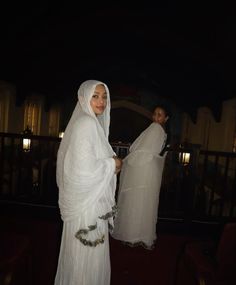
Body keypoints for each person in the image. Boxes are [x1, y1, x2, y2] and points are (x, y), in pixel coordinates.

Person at [54, 79, 122, 285]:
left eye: (104, 96)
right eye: (95, 96)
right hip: (88, 205)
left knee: (81, 257)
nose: (101, 101)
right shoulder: (87, 123)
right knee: (86, 257)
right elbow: (83, 171)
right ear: (83, 98)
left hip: (88, 200)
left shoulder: (86, 121)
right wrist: (113, 164)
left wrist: (110, 164)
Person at [111, 105, 170, 250]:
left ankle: (131, 234)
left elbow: (141, 149)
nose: (156, 117)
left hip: (143, 170)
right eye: (155, 114)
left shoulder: (155, 129)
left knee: (135, 201)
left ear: (166, 118)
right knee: (145, 202)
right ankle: (142, 234)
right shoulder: (162, 131)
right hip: (150, 171)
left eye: (160, 115)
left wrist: (126, 161)